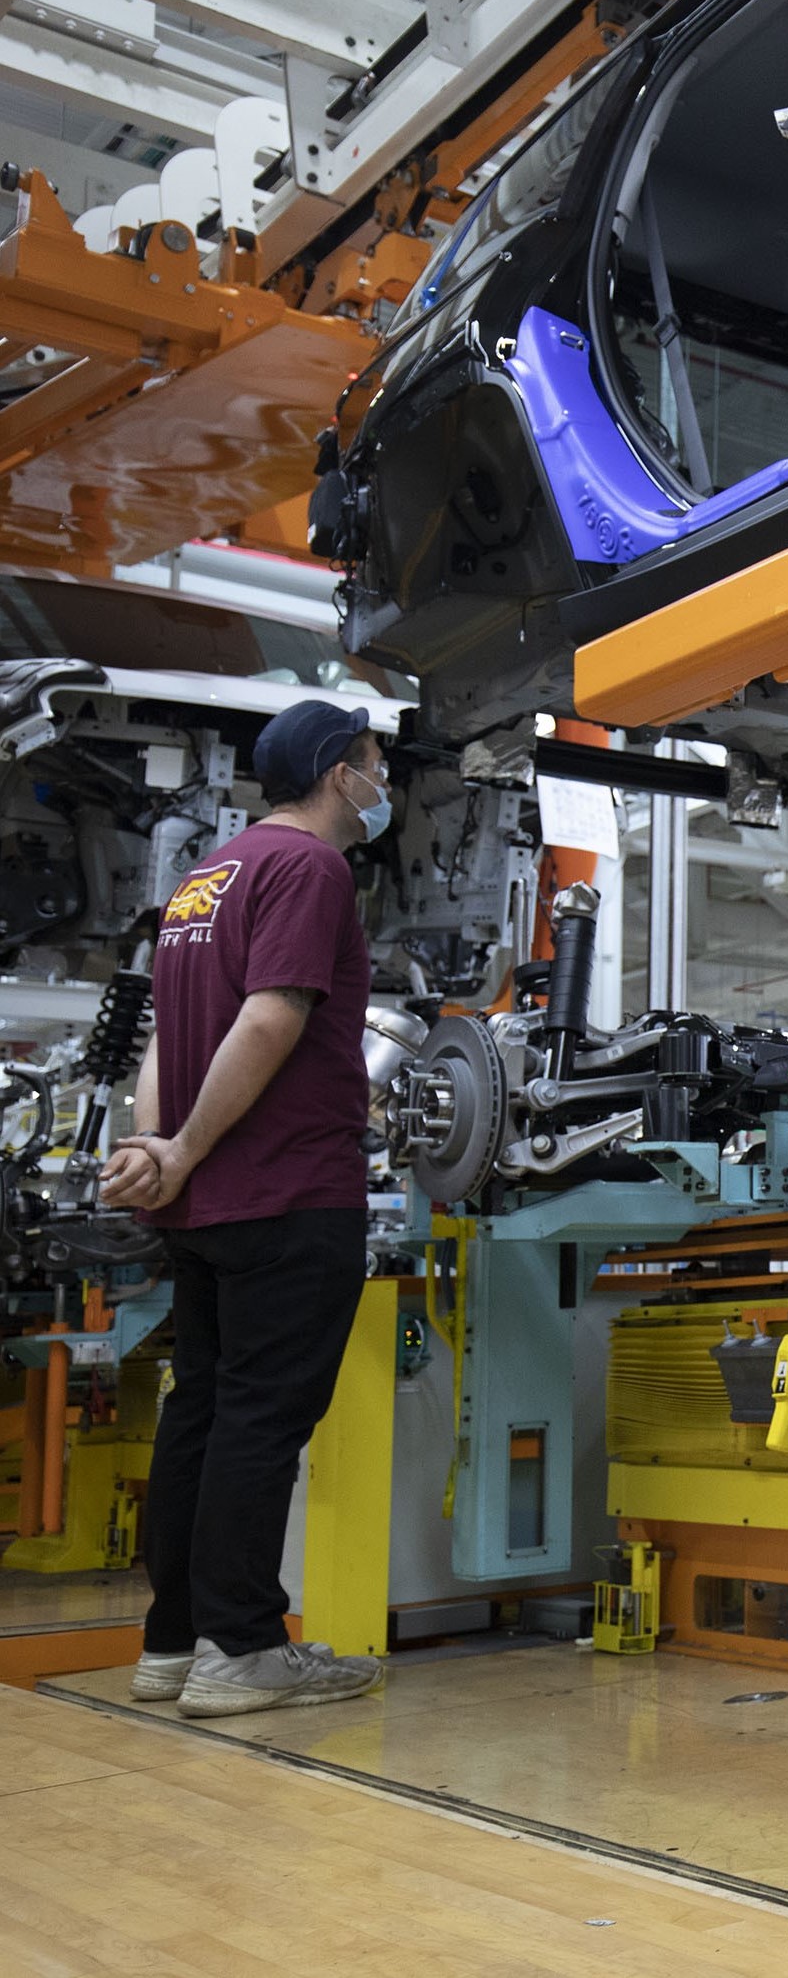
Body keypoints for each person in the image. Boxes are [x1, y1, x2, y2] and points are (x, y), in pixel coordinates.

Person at [101, 699, 391, 1719]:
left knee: (205, 1411)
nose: (381, 778)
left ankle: (172, 1642)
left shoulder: (201, 880)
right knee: (262, 1419)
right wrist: (177, 1146)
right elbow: (273, 1014)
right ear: (335, 769)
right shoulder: (310, 869)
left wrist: (160, 1150)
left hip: (209, 1200)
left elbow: (159, 1042)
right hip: (286, 1190)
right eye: (371, 759)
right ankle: (243, 1645)